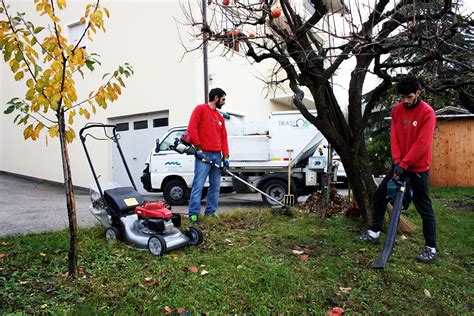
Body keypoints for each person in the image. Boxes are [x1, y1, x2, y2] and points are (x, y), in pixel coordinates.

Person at [359, 75, 438, 263]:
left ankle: (430, 248)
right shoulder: (397, 110)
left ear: (418, 93)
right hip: (399, 164)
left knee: (424, 207)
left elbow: (423, 144)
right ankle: (374, 233)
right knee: (380, 196)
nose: (405, 101)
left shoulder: (427, 113)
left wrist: (404, 165)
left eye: (409, 97)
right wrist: (397, 162)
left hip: (418, 167)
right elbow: (394, 137)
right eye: (402, 98)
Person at [187, 88, 229, 224]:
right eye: (223, 99)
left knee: (215, 186)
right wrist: (198, 149)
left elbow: (224, 138)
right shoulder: (200, 109)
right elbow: (192, 128)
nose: (224, 102)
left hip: (217, 155)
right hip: (203, 154)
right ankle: (193, 214)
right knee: (198, 184)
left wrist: (226, 157)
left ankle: (210, 212)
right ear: (216, 98)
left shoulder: (220, 117)